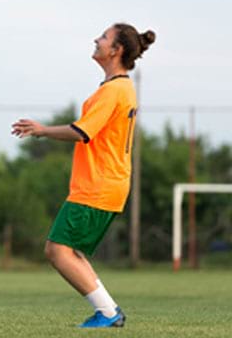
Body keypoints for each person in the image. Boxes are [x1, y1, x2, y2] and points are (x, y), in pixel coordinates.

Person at [12, 23, 155, 328]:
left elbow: (82, 132)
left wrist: (42, 130)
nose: (96, 40)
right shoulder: (121, 88)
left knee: (56, 250)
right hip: (107, 184)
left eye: (103, 37)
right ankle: (108, 311)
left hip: (99, 185)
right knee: (68, 250)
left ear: (116, 50)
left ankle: (108, 312)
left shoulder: (114, 90)